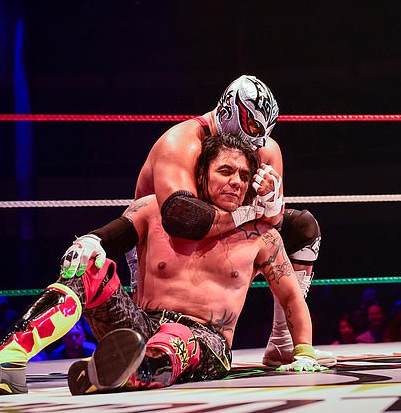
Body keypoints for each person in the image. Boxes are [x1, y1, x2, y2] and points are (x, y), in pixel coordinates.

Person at [0, 134, 326, 396]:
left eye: (244, 176)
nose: (236, 183)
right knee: (86, 269)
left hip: (203, 338)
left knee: (173, 343)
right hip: (138, 324)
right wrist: (88, 244)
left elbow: (293, 301)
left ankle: (119, 376)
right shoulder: (155, 211)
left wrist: (305, 351)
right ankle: (6, 361)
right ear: (201, 175)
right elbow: (106, 238)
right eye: (225, 171)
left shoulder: (262, 237)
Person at [132, 74, 328, 367]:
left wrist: (271, 203)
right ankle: (139, 340)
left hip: (223, 234)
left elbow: (268, 228)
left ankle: (283, 342)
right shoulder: (181, 143)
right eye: (249, 127)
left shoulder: (265, 149)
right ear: (226, 112)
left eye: (260, 134)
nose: (253, 146)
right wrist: (250, 211)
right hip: (162, 240)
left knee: (302, 228)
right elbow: (181, 219)